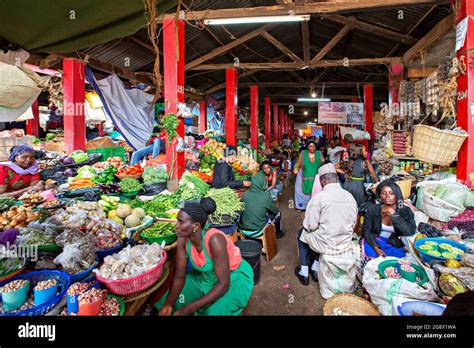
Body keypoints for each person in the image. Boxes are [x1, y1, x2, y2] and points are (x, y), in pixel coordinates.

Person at [156, 197, 254, 316]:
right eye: (177, 221)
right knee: (169, 298)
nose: (176, 226)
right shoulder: (182, 238)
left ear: (196, 226)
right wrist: (169, 303)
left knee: (214, 311)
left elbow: (223, 284)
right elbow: (180, 276)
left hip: (233, 277)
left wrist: (188, 309)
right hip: (206, 277)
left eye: (181, 222)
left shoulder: (214, 240)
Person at [295, 163, 358, 286]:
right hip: (344, 242)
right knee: (323, 231)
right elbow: (353, 222)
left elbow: (310, 226)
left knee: (302, 234)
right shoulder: (350, 197)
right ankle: (315, 267)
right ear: (335, 178)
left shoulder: (319, 198)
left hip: (327, 244)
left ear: (323, 181)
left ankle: (304, 272)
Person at [361, 180, 416, 263]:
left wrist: (393, 214)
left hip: (394, 243)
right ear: (380, 195)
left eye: (391, 193)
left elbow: (409, 231)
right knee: (374, 260)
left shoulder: (405, 211)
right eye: (384, 193)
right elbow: (366, 231)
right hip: (374, 240)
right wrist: (376, 248)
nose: (387, 196)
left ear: (397, 195)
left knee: (396, 263)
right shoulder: (373, 209)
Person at [238, 173, 284, 239]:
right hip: (258, 231)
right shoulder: (265, 196)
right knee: (278, 214)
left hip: (243, 230)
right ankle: (278, 234)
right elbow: (275, 210)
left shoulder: (245, 194)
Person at [337, 143, 378, 208]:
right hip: (358, 186)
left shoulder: (347, 160)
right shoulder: (365, 162)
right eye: (364, 151)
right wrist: (378, 183)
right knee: (358, 206)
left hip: (347, 184)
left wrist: (345, 172)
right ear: (359, 153)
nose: (366, 152)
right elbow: (374, 176)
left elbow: (335, 168)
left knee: (348, 204)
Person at [293, 141, 324, 211]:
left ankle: (315, 207)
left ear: (316, 147)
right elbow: (298, 162)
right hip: (303, 175)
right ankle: (302, 206)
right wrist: (296, 168)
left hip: (315, 176)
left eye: (314, 146)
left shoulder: (319, 153)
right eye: (310, 146)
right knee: (299, 190)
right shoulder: (303, 153)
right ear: (307, 147)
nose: (312, 148)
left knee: (316, 191)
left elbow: (323, 163)